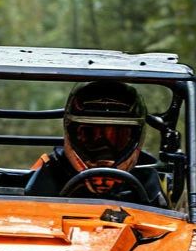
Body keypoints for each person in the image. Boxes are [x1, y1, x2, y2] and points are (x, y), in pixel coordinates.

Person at [26, 80, 167, 206]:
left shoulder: (148, 176)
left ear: (136, 139)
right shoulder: (52, 169)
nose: (104, 150)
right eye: (90, 136)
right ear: (70, 135)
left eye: (117, 137)